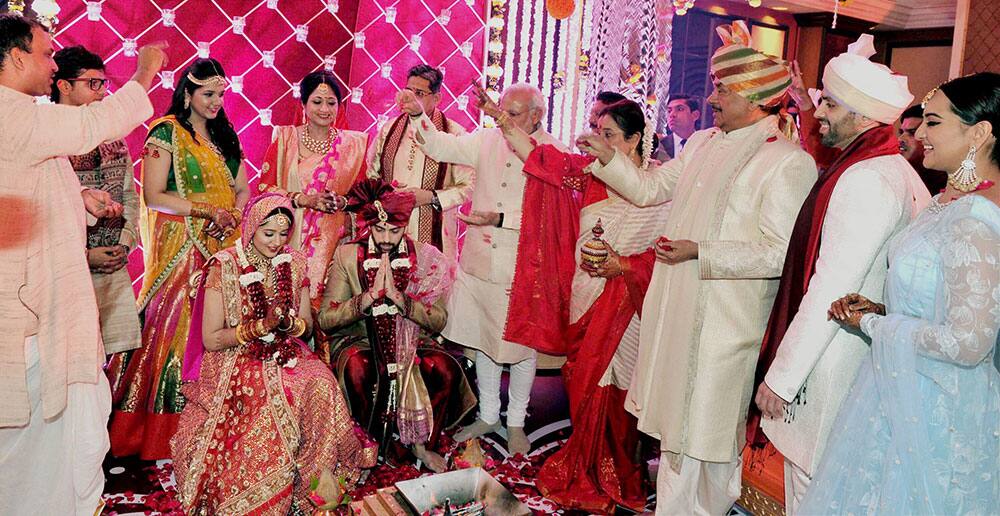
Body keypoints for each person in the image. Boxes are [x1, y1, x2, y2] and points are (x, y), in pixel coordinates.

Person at [577, 21, 817, 514]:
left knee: (708, 437)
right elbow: (650, 190)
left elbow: (778, 252)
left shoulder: (787, 162)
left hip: (726, 323)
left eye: (722, 91)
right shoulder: (703, 143)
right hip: (676, 309)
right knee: (673, 435)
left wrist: (700, 252)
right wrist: (609, 159)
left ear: (754, 99)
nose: (711, 100)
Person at [800, 72, 1000, 515]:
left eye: (933, 123)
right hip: (900, 390)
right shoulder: (946, 201)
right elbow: (946, 306)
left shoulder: (977, 220)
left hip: (937, 412)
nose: (919, 134)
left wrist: (873, 323)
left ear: (980, 132)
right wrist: (884, 308)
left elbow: (970, 343)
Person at [749, 34, 931, 515]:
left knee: (815, 494)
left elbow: (832, 285)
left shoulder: (867, 178)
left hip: (833, 365)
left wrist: (782, 379)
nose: (819, 111)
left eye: (829, 103)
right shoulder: (890, 168)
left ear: (865, 117)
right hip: (857, 358)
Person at [0, 14, 165, 515]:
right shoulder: (13, 113)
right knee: (38, 438)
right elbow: (94, 124)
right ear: (15, 56)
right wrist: (143, 75)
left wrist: (81, 194)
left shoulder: (20, 115)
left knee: (55, 429)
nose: (53, 65)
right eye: (47, 53)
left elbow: (25, 182)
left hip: (41, 304)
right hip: (32, 315)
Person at [475, 86, 669, 512]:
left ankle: (621, 470)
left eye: (610, 135)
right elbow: (540, 157)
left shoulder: (659, 184)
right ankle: (586, 461)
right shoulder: (590, 173)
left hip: (630, 305)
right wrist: (502, 119)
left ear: (635, 140)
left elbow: (666, 248)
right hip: (586, 296)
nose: (600, 141)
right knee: (583, 383)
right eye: (597, 130)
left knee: (621, 390)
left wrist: (627, 267)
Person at [171, 193, 377, 514]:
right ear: (252, 227)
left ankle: (314, 482)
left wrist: (287, 325)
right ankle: (268, 487)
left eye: (284, 234)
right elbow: (211, 339)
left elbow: (306, 327)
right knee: (268, 391)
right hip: (235, 354)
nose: (277, 242)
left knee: (321, 382)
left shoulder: (294, 262)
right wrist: (258, 327)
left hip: (285, 348)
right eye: (269, 234)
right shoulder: (224, 266)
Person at [401, 82, 567, 455]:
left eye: (513, 113)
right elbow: (441, 145)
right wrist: (417, 113)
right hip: (478, 260)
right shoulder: (488, 140)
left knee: (520, 346)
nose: (502, 119)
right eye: (501, 110)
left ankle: (517, 423)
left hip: (522, 263)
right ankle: (490, 413)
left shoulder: (554, 151)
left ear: (536, 115)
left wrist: (500, 219)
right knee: (484, 339)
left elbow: (551, 216)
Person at [106, 57, 251, 460]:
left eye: (221, 94)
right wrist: (208, 212)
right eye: (208, 94)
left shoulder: (224, 135)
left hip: (223, 245)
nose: (216, 102)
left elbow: (242, 188)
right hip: (184, 250)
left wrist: (234, 214)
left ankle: (219, 423)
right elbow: (154, 196)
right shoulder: (165, 132)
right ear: (187, 93)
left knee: (225, 326)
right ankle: (162, 431)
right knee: (178, 330)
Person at [317, 179, 475, 473]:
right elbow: (326, 318)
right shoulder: (348, 255)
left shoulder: (425, 257)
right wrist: (367, 299)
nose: (386, 238)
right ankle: (366, 446)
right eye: (379, 229)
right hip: (360, 340)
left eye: (394, 230)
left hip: (412, 340)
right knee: (359, 368)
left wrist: (402, 301)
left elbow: (439, 320)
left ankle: (421, 445)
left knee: (443, 367)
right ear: (369, 225)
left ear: (405, 226)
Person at [53, 46, 142, 357]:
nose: (103, 92)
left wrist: (126, 245)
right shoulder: (49, 140)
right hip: (64, 276)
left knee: (112, 371)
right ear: (63, 85)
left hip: (114, 272)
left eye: (104, 84)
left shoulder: (114, 142)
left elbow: (130, 197)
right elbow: (45, 214)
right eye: (93, 83)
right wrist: (85, 256)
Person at [259, 71, 367, 310]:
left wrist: (342, 202)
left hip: (332, 239)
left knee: (325, 305)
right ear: (304, 104)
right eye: (317, 102)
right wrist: (303, 199)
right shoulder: (286, 138)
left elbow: (364, 194)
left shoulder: (353, 145)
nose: (325, 109)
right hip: (287, 235)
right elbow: (264, 187)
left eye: (331, 103)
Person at [367, 65, 474, 265]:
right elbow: (372, 175)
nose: (411, 98)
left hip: (436, 229)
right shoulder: (389, 129)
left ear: (436, 98)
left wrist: (431, 197)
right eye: (408, 91)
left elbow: (468, 187)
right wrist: (385, 193)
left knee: (429, 288)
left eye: (419, 93)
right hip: (389, 228)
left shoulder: (454, 134)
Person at [899, 104, 948, 194]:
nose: (900, 139)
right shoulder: (897, 176)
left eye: (912, 132)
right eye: (901, 132)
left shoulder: (949, 185)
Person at [654, 94, 700, 162]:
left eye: (680, 109)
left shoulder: (704, 144)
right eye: (669, 111)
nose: (672, 115)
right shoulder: (659, 145)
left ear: (695, 115)